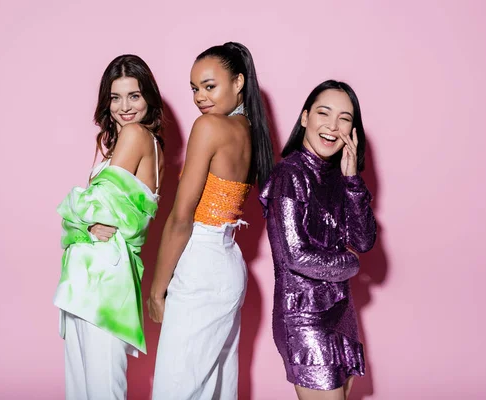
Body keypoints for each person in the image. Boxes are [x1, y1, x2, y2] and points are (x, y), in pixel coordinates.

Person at [147, 42, 274, 399]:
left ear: (238, 82)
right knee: (215, 388)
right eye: (194, 88)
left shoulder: (210, 127)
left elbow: (181, 218)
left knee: (176, 388)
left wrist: (157, 290)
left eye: (209, 85)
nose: (199, 97)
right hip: (228, 264)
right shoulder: (251, 132)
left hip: (202, 264)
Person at [53, 54, 165, 400]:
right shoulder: (111, 145)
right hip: (86, 276)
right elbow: (82, 221)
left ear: (148, 97)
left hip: (106, 277)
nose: (124, 107)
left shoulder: (136, 135)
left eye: (134, 96)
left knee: (101, 389)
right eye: (115, 97)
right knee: (84, 389)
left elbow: (89, 207)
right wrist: (80, 227)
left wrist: (73, 214)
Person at [259, 80, 377, 400]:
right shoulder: (289, 175)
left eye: (344, 118)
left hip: (341, 312)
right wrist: (350, 263)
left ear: (353, 130)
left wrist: (352, 181)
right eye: (324, 113)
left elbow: (364, 240)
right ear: (305, 118)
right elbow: (296, 257)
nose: (332, 126)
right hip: (303, 316)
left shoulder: (339, 177)